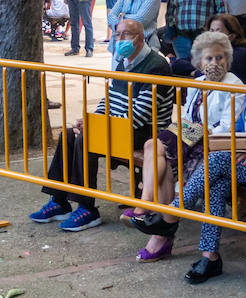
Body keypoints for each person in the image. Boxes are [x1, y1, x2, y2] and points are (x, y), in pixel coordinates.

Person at [131, 25, 246, 284]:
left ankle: (172, 214)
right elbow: (239, 125)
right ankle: (210, 255)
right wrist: (241, 144)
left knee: (215, 160)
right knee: (214, 184)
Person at [30, 20, 174, 233]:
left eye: (127, 34)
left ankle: (87, 208)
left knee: (87, 138)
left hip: (146, 131)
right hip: (121, 125)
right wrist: (92, 120)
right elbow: (109, 100)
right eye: (118, 34)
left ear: (141, 37)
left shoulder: (156, 66)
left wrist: (96, 126)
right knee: (69, 135)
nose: (120, 39)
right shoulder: (124, 61)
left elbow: (139, 116)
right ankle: (59, 200)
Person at [129, 31, 243, 261]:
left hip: (213, 139)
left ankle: (151, 218)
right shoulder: (197, 83)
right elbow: (187, 116)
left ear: (227, 60)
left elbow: (229, 125)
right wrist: (187, 129)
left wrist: (198, 131)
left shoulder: (235, 84)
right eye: (209, 58)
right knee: (153, 146)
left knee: (161, 157)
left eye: (220, 58)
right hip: (191, 132)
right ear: (199, 61)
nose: (214, 63)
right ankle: (150, 212)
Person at [203, 13, 246, 84]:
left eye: (218, 31)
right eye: (211, 30)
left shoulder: (239, 53)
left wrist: (195, 72)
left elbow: (213, 74)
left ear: (231, 36)